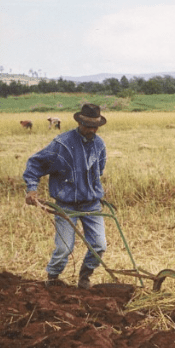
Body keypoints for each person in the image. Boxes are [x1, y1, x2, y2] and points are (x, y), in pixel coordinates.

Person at [23, 103, 108, 288]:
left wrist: (90, 189)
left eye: (95, 126)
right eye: (88, 126)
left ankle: (85, 277)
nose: (92, 130)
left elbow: (99, 170)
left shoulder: (99, 145)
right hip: (67, 204)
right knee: (64, 248)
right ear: (80, 123)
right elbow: (35, 164)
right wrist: (31, 188)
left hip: (91, 204)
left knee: (99, 245)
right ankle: (52, 279)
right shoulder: (62, 143)